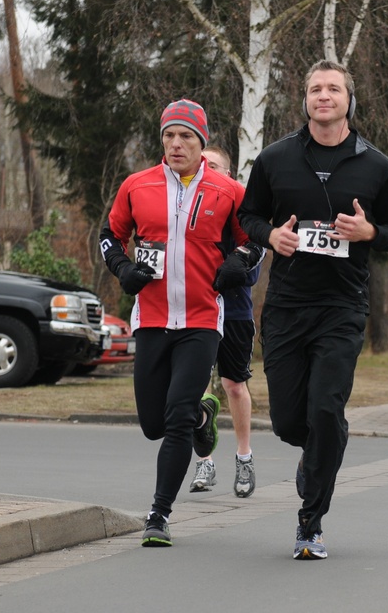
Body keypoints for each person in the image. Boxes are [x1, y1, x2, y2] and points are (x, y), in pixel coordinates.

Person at [238, 59, 388, 560]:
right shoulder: (275, 159)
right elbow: (248, 215)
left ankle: (309, 523)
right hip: (287, 306)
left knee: (326, 409)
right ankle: (319, 449)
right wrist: (271, 234)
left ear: (348, 100)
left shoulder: (377, 166)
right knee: (292, 423)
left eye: (333, 89)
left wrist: (370, 232)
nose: (323, 96)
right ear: (305, 99)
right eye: (315, 89)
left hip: (341, 305)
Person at [100, 100, 262, 547]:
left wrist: (237, 263)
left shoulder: (227, 191)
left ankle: (158, 515)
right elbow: (109, 235)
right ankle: (201, 416)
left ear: (201, 141)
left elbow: (255, 242)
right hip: (151, 318)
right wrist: (121, 266)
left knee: (172, 423)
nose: (175, 144)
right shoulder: (137, 185)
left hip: (202, 321)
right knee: (154, 423)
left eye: (185, 136)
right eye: (169, 135)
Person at [189, 146, 264, 498]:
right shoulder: (188, 212)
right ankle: (204, 460)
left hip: (233, 313)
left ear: (228, 176)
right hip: (195, 312)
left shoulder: (242, 213)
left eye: (214, 165)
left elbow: (251, 271)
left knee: (234, 385)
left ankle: (244, 458)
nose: (207, 170)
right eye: (202, 164)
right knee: (192, 389)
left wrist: (226, 267)